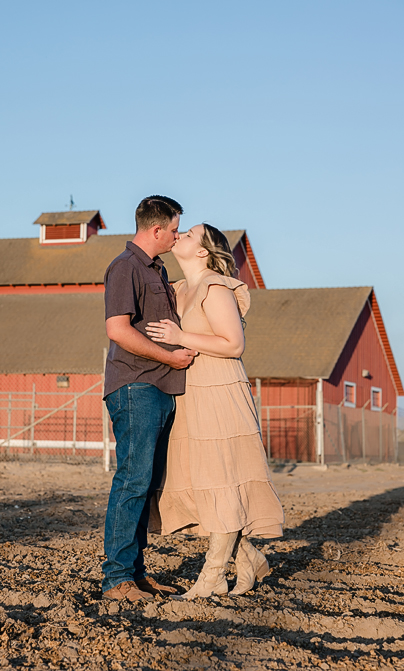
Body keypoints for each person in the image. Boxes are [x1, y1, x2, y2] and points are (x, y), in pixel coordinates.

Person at [145, 223, 284, 599]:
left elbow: (233, 344)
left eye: (189, 234)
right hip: (191, 395)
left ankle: (211, 577)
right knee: (205, 481)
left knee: (222, 480)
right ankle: (247, 558)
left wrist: (180, 337)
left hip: (221, 392)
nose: (180, 237)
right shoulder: (178, 289)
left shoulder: (215, 286)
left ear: (204, 251)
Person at [101, 195, 198, 602]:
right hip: (136, 386)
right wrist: (171, 357)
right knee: (133, 479)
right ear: (155, 229)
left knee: (146, 483)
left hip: (159, 387)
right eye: (174, 229)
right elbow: (118, 330)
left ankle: (137, 574)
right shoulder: (126, 268)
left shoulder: (157, 271)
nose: (177, 236)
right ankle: (117, 578)